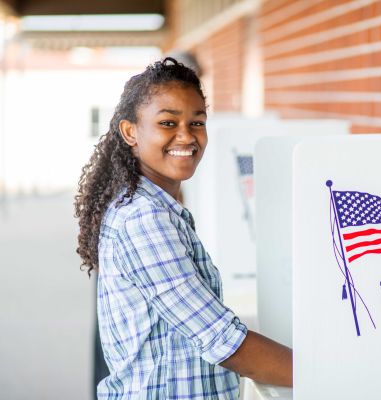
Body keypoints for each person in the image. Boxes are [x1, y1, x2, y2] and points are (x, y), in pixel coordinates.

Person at [74, 57, 292, 399]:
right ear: (130, 132)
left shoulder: (159, 206)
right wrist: (322, 370)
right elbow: (223, 341)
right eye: (167, 122)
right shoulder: (143, 219)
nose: (186, 136)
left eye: (197, 122)